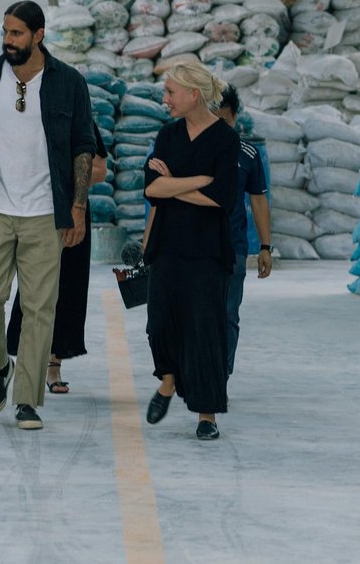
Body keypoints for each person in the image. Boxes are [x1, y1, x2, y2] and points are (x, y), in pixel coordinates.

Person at [0, 1, 95, 430]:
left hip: (46, 214)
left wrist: (78, 206)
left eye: (16, 33)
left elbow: (82, 148)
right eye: (5, 32)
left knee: (39, 308)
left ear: (39, 34)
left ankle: (28, 399)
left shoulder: (68, 82)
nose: (8, 41)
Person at [141, 60, 240, 441]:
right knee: (160, 324)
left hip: (206, 251)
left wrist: (173, 183)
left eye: (170, 92)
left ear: (193, 94)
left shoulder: (225, 139)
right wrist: (198, 181)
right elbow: (151, 188)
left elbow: (223, 198)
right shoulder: (167, 135)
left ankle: (206, 415)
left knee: (205, 331)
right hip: (167, 245)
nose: (165, 99)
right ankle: (167, 381)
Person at [6, 121, 107, 394]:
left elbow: (99, 169)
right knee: (31, 285)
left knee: (67, 284)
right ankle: (26, 360)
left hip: (70, 210)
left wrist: (62, 176)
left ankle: (53, 363)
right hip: (28, 209)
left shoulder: (80, 118)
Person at [215, 86, 273, 379]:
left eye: (223, 120)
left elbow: (259, 200)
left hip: (233, 247)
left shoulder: (247, 154)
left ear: (235, 118)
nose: (218, 128)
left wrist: (265, 247)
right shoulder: (188, 148)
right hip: (194, 247)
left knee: (227, 314)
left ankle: (220, 376)